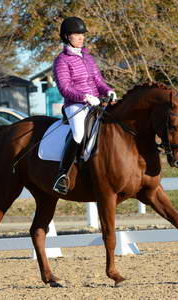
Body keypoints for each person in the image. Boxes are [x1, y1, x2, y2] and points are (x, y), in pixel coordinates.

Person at [52, 16, 117, 195]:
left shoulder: (88, 58)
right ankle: (62, 175)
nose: (81, 37)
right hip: (75, 105)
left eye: (82, 34)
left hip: (96, 102)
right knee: (79, 134)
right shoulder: (61, 61)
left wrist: (108, 90)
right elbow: (64, 88)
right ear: (66, 37)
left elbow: (98, 81)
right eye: (77, 34)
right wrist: (85, 97)